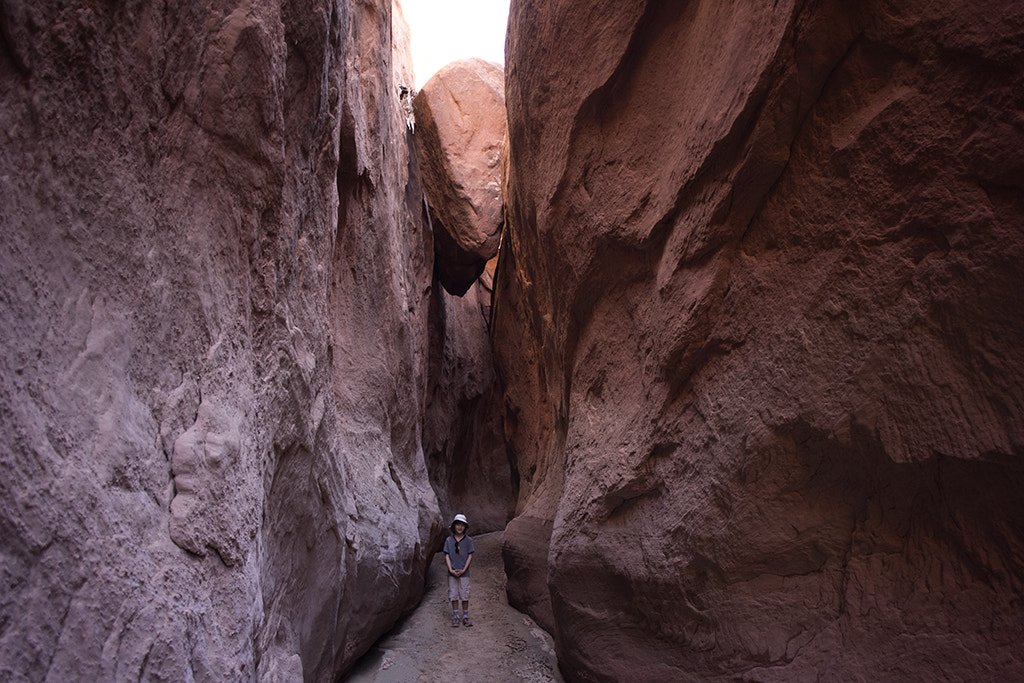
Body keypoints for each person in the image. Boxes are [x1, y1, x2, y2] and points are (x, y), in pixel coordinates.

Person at [443, 513, 474, 627]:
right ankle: (456, 616)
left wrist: (464, 569)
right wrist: (451, 569)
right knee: (453, 594)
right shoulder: (449, 540)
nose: (460, 527)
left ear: (465, 527)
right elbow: (447, 555)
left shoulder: (468, 541)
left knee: (465, 594)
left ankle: (465, 616)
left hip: (464, 573)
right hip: (452, 573)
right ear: (454, 526)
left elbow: (470, 555)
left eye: (462, 525)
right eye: (458, 524)